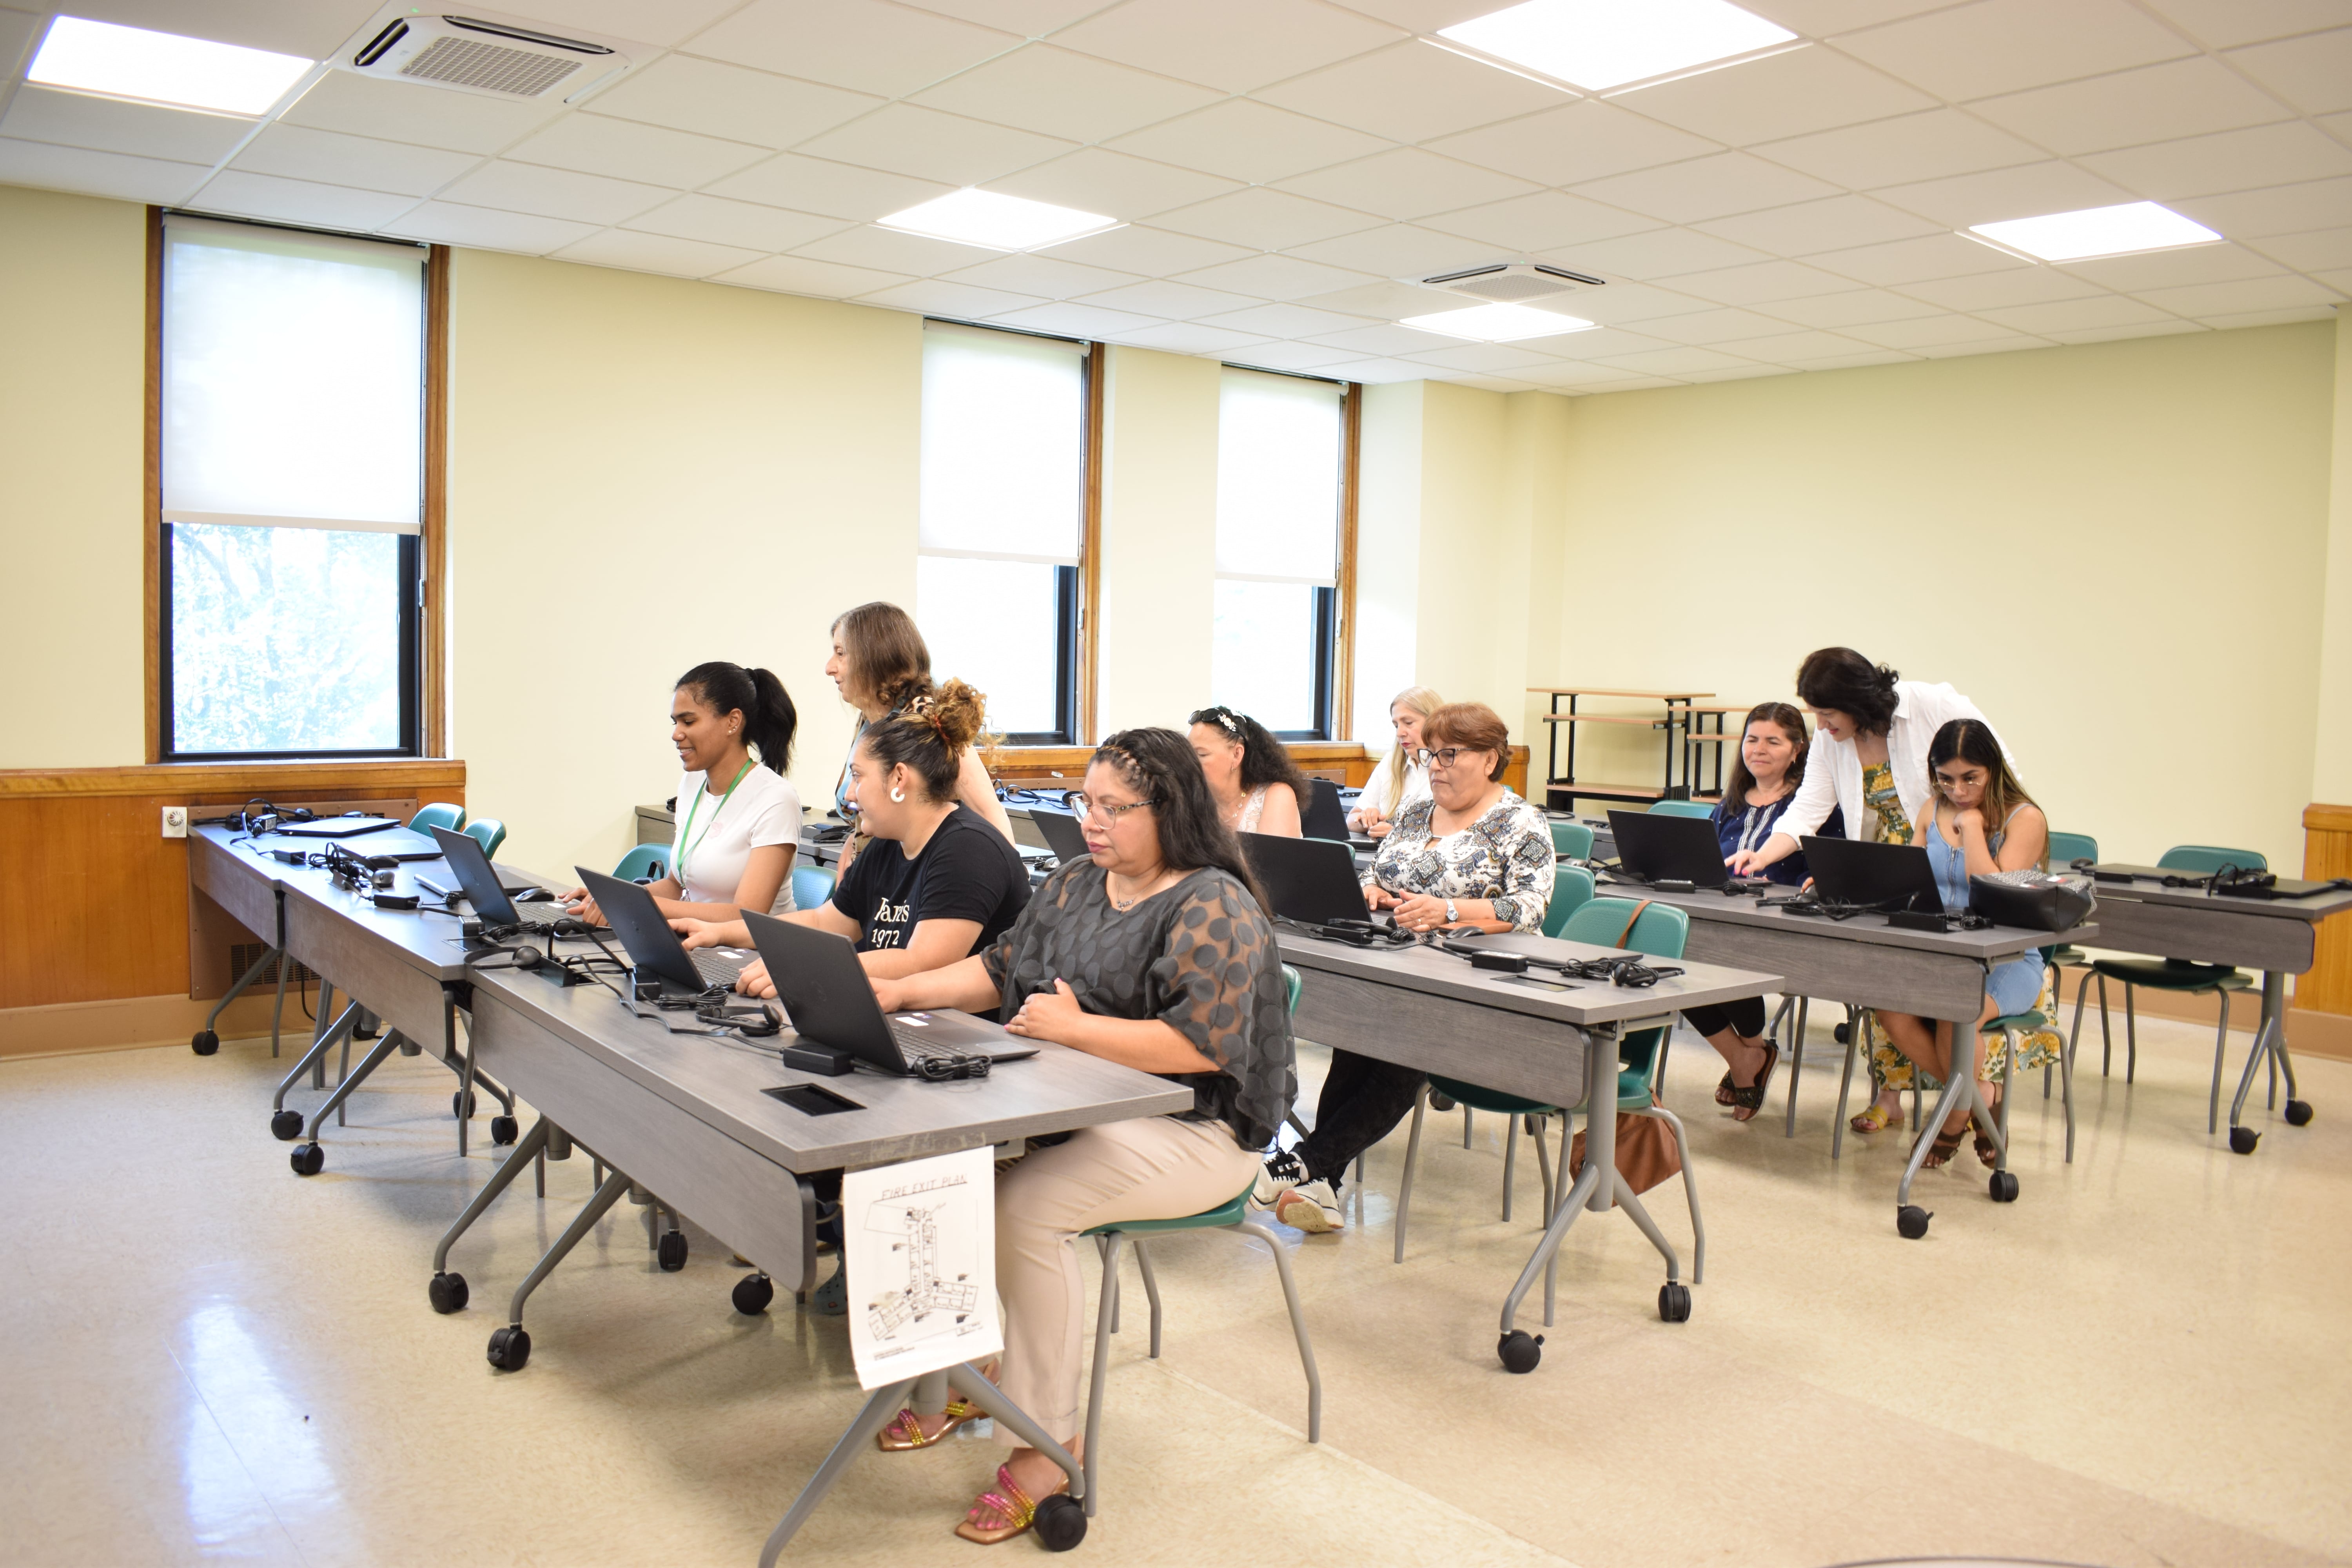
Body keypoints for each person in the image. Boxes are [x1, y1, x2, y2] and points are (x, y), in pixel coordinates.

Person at [863, 728, 1295, 1546]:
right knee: (947, 1176)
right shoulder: (1076, 881)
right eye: (1083, 802)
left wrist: (1075, 1027)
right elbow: (999, 970)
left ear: (1169, 810)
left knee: (1025, 1207)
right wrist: (903, 992)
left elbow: (1202, 1048)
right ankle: (980, 1371)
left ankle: (1048, 1440)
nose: (1090, 821)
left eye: (1112, 808)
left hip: (1201, 1131)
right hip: (1089, 1111)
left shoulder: (1213, 902)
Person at [673, 679, 1029, 1316]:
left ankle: (874, 1257)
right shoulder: (885, 846)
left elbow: (927, 959)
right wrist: (729, 933)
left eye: (858, 776)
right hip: (904, 1025)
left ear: (900, 781)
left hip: (969, 1048)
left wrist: (801, 976)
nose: (848, 792)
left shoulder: (968, 847)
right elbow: (829, 925)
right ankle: (841, 1237)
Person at [1258, 701, 1553, 1234]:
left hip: (1478, 980)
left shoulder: (1521, 822)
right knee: (1358, 1038)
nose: (1434, 765)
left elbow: (1530, 908)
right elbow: (1383, 872)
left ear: (1490, 760)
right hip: (1397, 962)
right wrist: (1371, 891)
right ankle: (1320, 1182)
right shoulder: (1417, 813)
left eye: (1449, 755)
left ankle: (1305, 1163)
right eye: (1429, 754)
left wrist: (1451, 911)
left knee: (1406, 1045)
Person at [1724, 647, 2009, 1137]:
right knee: (1878, 978)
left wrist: (1984, 833)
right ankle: (1907, 1096)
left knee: (1925, 988)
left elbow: (1997, 767)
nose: (1821, 724)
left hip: (1949, 867)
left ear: (1857, 702)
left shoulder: (1927, 705)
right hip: (1883, 873)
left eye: (1827, 713)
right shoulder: (1832, 741)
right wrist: (1764, 856)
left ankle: (1967, 1097)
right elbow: (1808, 807)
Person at [1872, 719, 2057, 1169]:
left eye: (1970, 778)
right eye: (1946, 778)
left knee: (1958, 1009)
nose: (1957, 790)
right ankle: (1983, 1098)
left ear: (1992, 769)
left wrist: (1973, 828)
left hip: (2006, 957)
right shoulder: (1927, 810)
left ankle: (1953, 1118)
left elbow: (1992, 890)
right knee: (1889, 1008)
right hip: (1944, 951)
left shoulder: (2025, 818)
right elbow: (1911, 880)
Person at [1689, 702, 1845, 1122]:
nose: (1758, 749)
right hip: (1721, 914)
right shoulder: (1731, 804)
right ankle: (1749, 1054)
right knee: (1677, 965)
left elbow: (1828, 869)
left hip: (1782, 926)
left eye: (1772, 741)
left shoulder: (1816, 805)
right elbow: (1703, 857)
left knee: (1729, 967)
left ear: (1798, 750)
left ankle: (1749, 1055)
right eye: (1752, 739)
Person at [568, 662, 799, 925]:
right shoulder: (692, 782)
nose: (676, 734)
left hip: (752, 956)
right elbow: (676, 887)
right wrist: (612, 898)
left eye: (688, 721)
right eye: (675, 722)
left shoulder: (776, 799)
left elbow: (746, 916)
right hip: (698, 941)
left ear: (732, 722)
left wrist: (642, 905)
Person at [825, 602, 1014, 873]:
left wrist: (1014, 896)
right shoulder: (871, 717)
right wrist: (853, 848)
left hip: (925, 880)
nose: (830, 668)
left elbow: (987, 812)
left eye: (841, 653)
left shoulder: (924, 718)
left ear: (876, 657)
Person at [1188, 704, 1305, 836]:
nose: (1189, 763)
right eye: (1188, 754)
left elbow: (1271, 856)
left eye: (1202, 755)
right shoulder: (1193, 799)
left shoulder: (1278, 796)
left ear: (1237, 755)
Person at [1348, 685, 1442, 839]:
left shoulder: (1448, 768)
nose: (1400, 733)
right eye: (1396, 726)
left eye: (1409, 723)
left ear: (1433, 722)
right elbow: (1351, 821)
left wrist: (1399, 835)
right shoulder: (1391, 762)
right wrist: (1367, 819)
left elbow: (1451, 832)